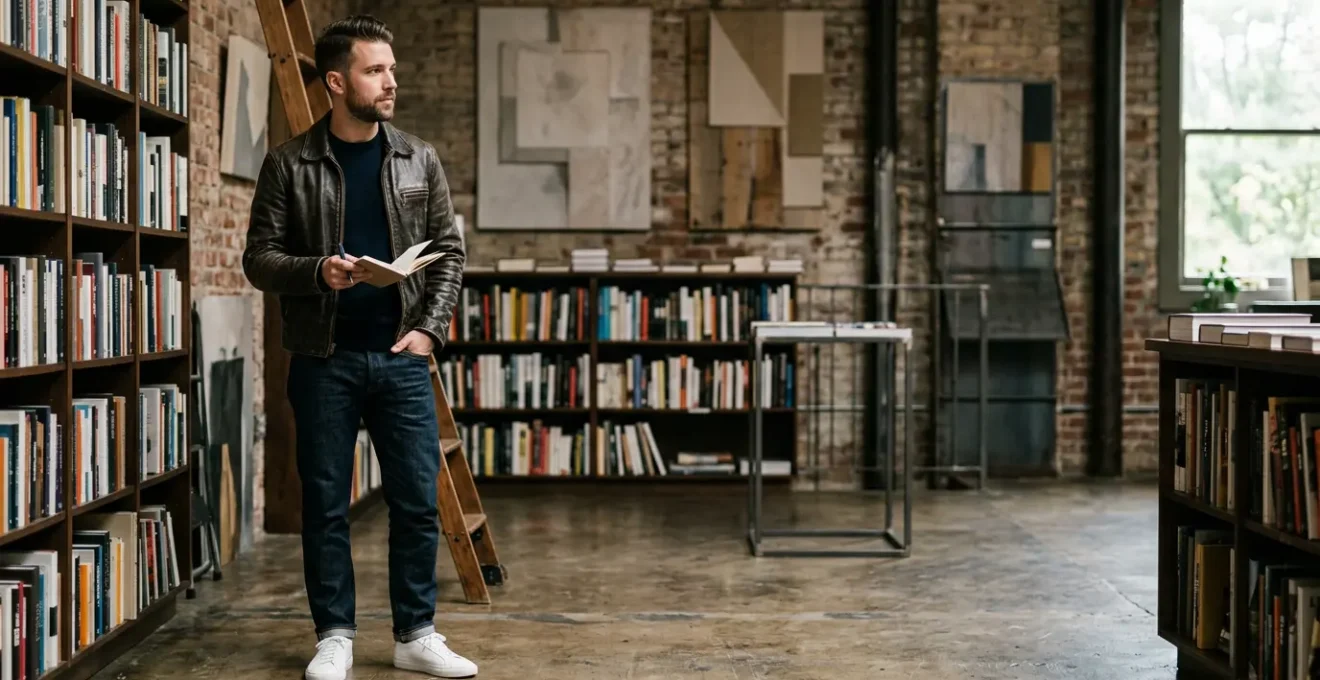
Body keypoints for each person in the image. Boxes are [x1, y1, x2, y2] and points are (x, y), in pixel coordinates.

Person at [241, 14, 477, 680]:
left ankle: (416, 633)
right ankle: (335, 636)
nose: (390, 81)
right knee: (324, 501)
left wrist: (428, 329)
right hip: (323, 358)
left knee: (413, 499)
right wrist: (319, 270)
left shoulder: (418, 158)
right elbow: (258, 260)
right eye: (377, 71)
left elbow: (449, 252)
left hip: (401, 355)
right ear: (337, 82)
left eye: (392, 69)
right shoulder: (289, 164)